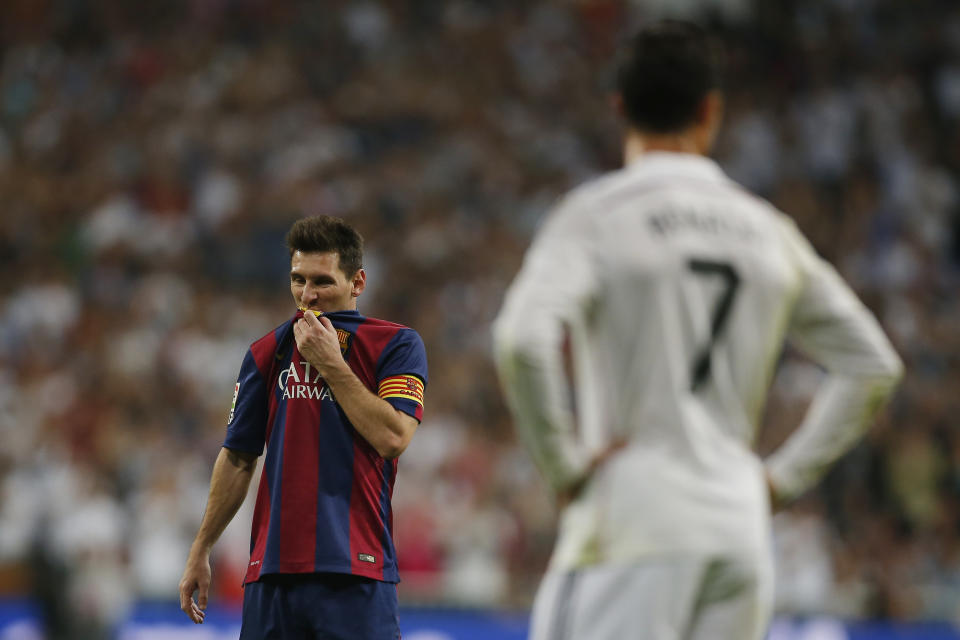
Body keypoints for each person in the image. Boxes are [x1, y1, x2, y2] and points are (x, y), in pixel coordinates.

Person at [492, 21, 902, 640]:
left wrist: (564, 467)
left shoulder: (598, 216)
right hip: (738, 532)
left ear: (620, 107)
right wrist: (781, 479)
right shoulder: (769, 231)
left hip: (633, 522)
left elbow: (522, 340)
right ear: (711, 112)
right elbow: (873, 364)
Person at [178, 215, 427, 639]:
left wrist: (331, 364)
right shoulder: (265, 352)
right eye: (298, 280)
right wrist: (201, 547)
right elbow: (238, 455)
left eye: (322, 282)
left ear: (357, 282)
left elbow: (393, 437)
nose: (307, 296)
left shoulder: (396, 344)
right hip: (271, 576)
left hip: (356, 570)